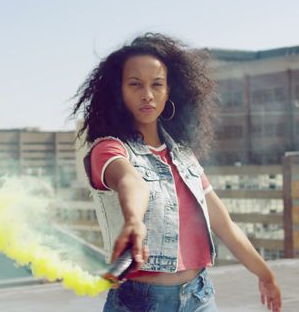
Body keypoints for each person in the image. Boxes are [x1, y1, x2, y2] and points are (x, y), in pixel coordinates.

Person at [71, 33, 281, 312]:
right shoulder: (108, 149)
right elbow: (131, 182)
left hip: (199, 297)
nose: (147, 94)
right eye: (135, 85)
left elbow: (224, 225)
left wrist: (265, 274)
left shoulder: (183, 155)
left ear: (169, 91)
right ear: (118, 92)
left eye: (157, 84)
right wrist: (134, 220)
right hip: (140, 303)